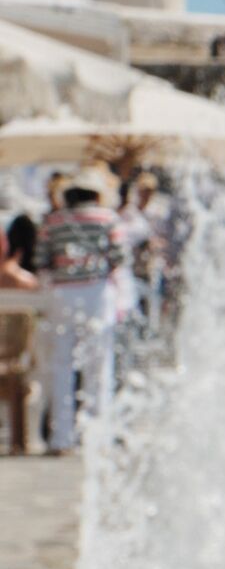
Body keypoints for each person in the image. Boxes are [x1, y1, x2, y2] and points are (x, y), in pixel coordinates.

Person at [35, 182, 119, 450]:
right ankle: (98, 434)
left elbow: (41, 260)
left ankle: (61, 436)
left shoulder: (53, 221)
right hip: (96, 293)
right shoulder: (106, 218)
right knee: (99, 365)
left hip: (62, 294)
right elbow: (119, 257)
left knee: (61, 365)